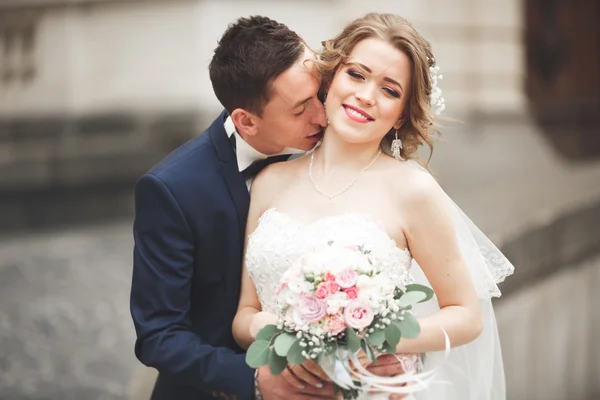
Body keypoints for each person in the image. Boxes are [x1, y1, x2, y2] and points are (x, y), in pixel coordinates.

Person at [233, 13, 514, 400]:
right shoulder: (268, 183)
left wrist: (381, 340)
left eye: (390, 90)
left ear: (401, 115)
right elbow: (244, 316)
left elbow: (466, 315)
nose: (366, 96)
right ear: (330, 80)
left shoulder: (413, 190)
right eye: (357, 75)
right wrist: (288, 330)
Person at [130, 15, 406, 400]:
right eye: (300, 109)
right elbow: (159, 335)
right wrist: (254, 381)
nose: (322, 113)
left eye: (319, 92)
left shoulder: (342, 146)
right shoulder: (172, 190)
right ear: (246, 121)